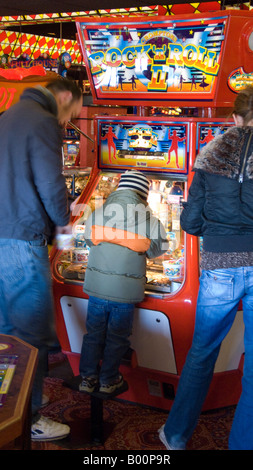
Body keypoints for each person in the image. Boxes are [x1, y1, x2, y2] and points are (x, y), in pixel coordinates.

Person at [159, 85, 253, 451]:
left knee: (201, 354)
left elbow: (190, 222)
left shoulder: (210, 154)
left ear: (234, 117)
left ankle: (176, 435)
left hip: (220, 266)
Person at [0, 78, 83, 441]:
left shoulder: (9, 114)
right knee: (30, 329)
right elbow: (51, 183)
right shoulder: (42, 120)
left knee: (7, 332)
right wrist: (64, 225)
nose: (67, 121)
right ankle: (30, 416)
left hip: (3, 231)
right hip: (21, 236)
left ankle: (12, 400)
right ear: (64, 97)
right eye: (71, 114)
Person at [79, 170, 169, 395]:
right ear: (143, 194)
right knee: (117, 337)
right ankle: (109, 380)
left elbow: (88, 240)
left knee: (93, 335)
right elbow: (159, 249)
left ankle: (87, 378)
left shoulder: (98, 212)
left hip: (97, 288)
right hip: (125, 291)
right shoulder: (149, 218)